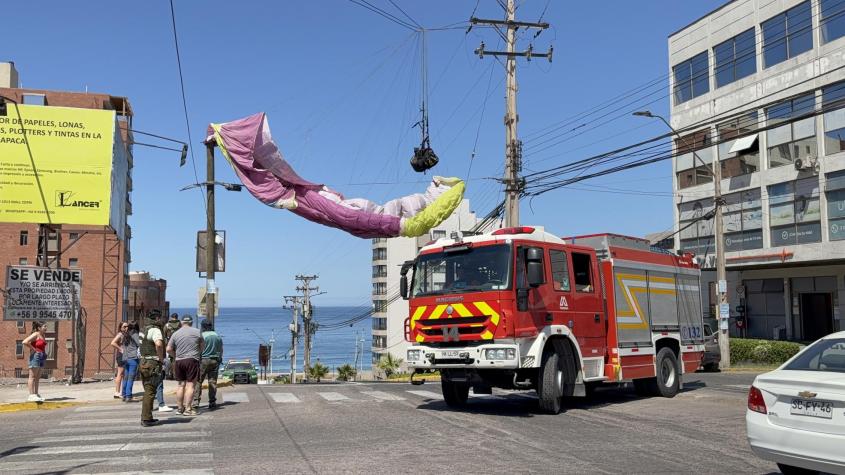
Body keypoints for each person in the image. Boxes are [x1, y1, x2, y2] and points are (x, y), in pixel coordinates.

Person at [167, 315, 204, 416]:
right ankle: (188, 409)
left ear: (181, 322)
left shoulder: (176, 333)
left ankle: (180, 409)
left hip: (179, 361)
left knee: (180, 385)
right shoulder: (197, 332)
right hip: (192, 360)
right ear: (191, 322)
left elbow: (168, 349)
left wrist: (175, 356)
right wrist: (198, 354)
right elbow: (202, 346)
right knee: (190, 385)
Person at [138, 310, 166, 427]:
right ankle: (146, 418)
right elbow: (159, 344)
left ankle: (147, 416)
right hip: (152, 362)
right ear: (158, 318)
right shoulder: (155, 330)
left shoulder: (143, 329)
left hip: (143, 361)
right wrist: (160, 359)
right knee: (150, 391)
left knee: (147, 389)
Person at [193, 320, 223, 411]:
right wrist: (219, 358)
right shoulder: (217, 336)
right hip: (215, 360)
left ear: (203, 327)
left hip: (203, 360)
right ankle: (212, 402)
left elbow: (197, 349)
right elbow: (221, 349)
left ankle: (196, 402)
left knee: (198, 381)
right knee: (212, 382)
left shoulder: (202, 336)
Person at [22, 322, 47, 402]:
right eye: (44, 326)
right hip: (36, 356)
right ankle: (31, 395)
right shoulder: (36, 334)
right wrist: (33, 349)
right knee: (32, 377)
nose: (46, 328)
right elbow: (25, 341)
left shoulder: (43, 335)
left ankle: (36, 394)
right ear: (39, 328)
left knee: (37, 377)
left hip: (42, 356)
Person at [121, 322, 141, 402]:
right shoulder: (135, 334)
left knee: (125, 377)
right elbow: (139, 344)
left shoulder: (125, 335)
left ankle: (124, 395)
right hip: (132, 358)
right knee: (130, 378)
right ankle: (129, 396)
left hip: (125, 358)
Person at [110, 322, 129, 399]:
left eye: (127, 326)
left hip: (124, 356)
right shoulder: (120, 334)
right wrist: (121, 349)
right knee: (120, 374)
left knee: (123, 374)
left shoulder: (125, 335)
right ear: (121, 328)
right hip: (121, 356)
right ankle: (117, 392)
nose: (126, 328)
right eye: (124, 326)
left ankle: (121, 391)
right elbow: (112, 343)